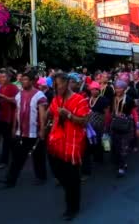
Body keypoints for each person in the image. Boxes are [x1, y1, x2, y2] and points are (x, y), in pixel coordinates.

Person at [46, 73, 90, 221]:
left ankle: (72, 208)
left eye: (58, 84)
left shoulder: (80, 100)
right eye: (54, 85)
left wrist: (69, 115)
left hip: (72, 143)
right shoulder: (56, 98)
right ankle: (70, 189)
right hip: (56, 142)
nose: (56, 88)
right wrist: (44, 122)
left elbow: (84, 121)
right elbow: (50, 113)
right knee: (57, 170)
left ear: (66, 83)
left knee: (72, 177)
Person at [3, 72, 48, 187]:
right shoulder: (19, 95)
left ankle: (41, 177)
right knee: (18, 156)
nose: (23, 82)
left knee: (38, 156)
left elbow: (42, 114)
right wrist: (14, 127)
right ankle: (10, 179)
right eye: (22, 80)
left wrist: (42, 129)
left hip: (35, 131)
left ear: (32, 81)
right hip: (22, 131)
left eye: (26, 79)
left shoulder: (39, 95)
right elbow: (16, 112)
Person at [110, 80, 138, 178]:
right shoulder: (113, 98)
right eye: (116, 88)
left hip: (126, 125)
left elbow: (134, 113)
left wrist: (137, 127)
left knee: (123, 147)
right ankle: (121, 163)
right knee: (116, 146)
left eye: (120, 88)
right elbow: (111, 112)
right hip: (115, 125)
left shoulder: (129, 99)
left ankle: (121, 167)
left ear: (124, 89)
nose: (118, 90)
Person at [82, 81, 110, 179]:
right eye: (92, 90)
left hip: (100, 123)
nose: (93, 91)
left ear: (98, 90)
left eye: (95, 89)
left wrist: (106, 125)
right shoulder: (89, 99)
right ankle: (94, 156)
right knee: (91, 140)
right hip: (91, 124)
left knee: (99, 140)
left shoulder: (103, 100)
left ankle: (99, 158)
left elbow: (107, 113)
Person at [0, 70, 19, 168]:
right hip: (0, 117)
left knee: (7, 140)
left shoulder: (13, 87)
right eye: (0, 77)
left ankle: (5, 161)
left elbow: (16, 101)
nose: (1, 79)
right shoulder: (1, 87)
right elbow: (0, 100)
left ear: (9, 78)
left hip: (9, 117)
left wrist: (2, 96)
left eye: (3, 77)